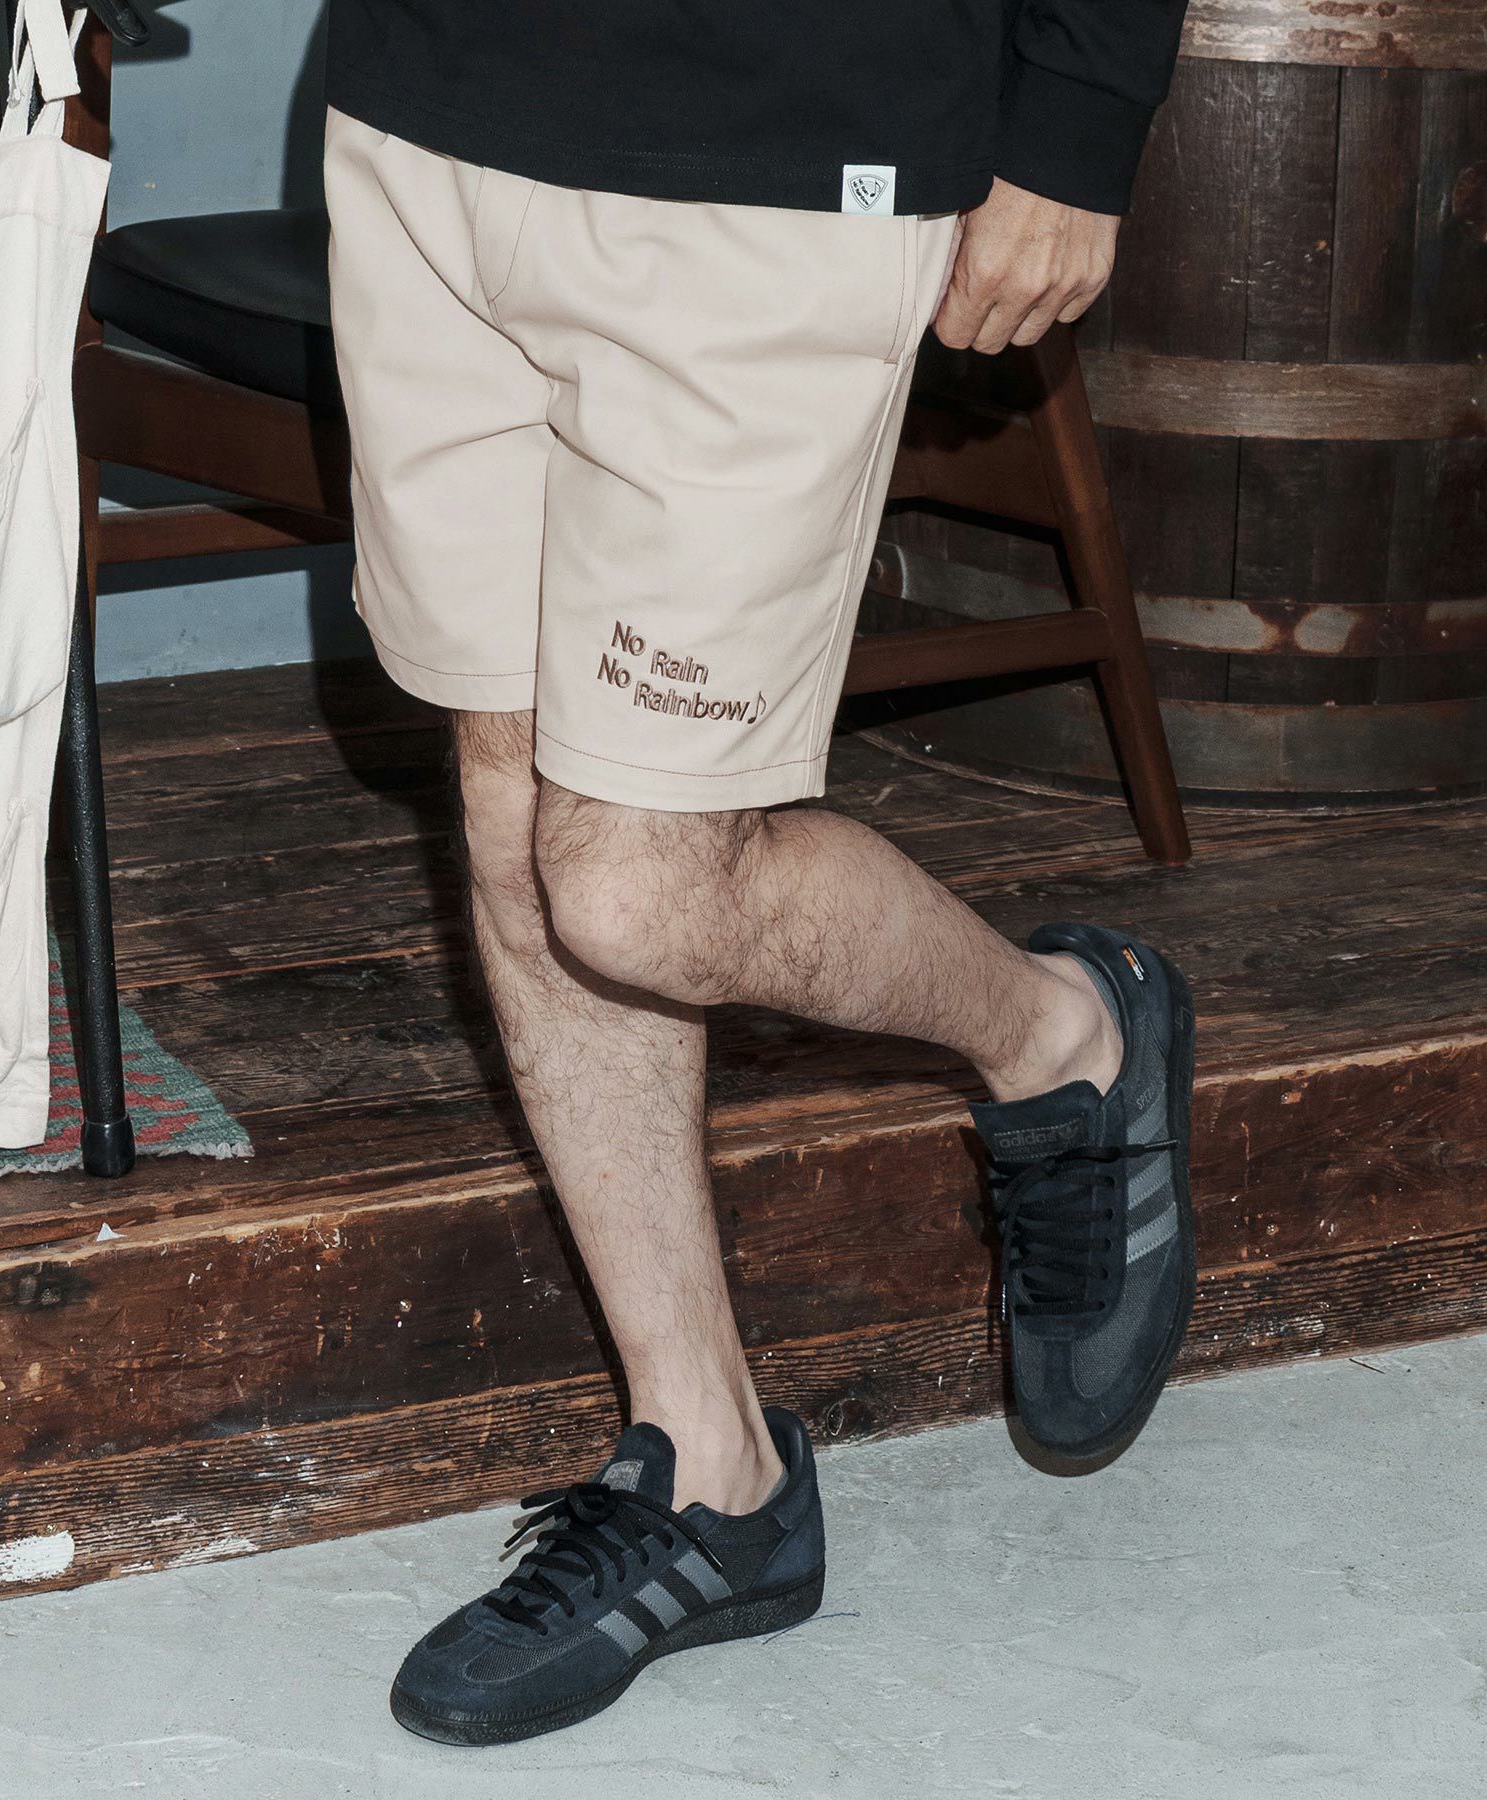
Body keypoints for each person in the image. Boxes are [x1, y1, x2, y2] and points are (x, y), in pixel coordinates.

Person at [322, 0, 1195, 1747]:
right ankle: (712, 1472)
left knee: (637, 883)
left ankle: (1060, 1033)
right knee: (509, 810)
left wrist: (1077, 119)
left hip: (776, 151)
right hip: (423, 117)